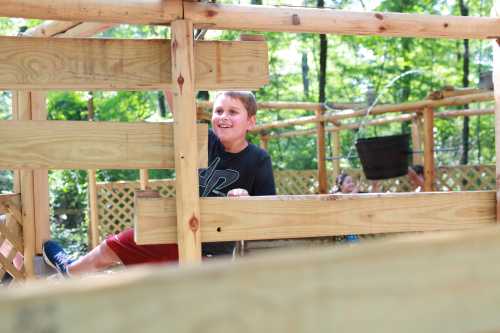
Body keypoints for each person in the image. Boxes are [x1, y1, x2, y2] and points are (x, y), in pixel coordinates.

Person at [42, 91, 276, 276]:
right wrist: (170, 75)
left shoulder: (258, 159)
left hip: (220, 250)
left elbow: (269, 211)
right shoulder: (204, 141)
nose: (224, 116)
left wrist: (247, 199)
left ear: (250, 122)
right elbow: (180, 108)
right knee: (120, 243)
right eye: (218, 110)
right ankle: (72, 270)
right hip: (181, 232)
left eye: (233, 112)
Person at [331, 172, 360, 243]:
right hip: (340, 227)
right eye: (348, 182)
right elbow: (346, 199)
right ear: (340, 186)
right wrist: (354, 192)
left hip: (351, 226)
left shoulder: (354, 195)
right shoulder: (338, 194)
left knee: (354, 243)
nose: (352, 183)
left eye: (352, 182)